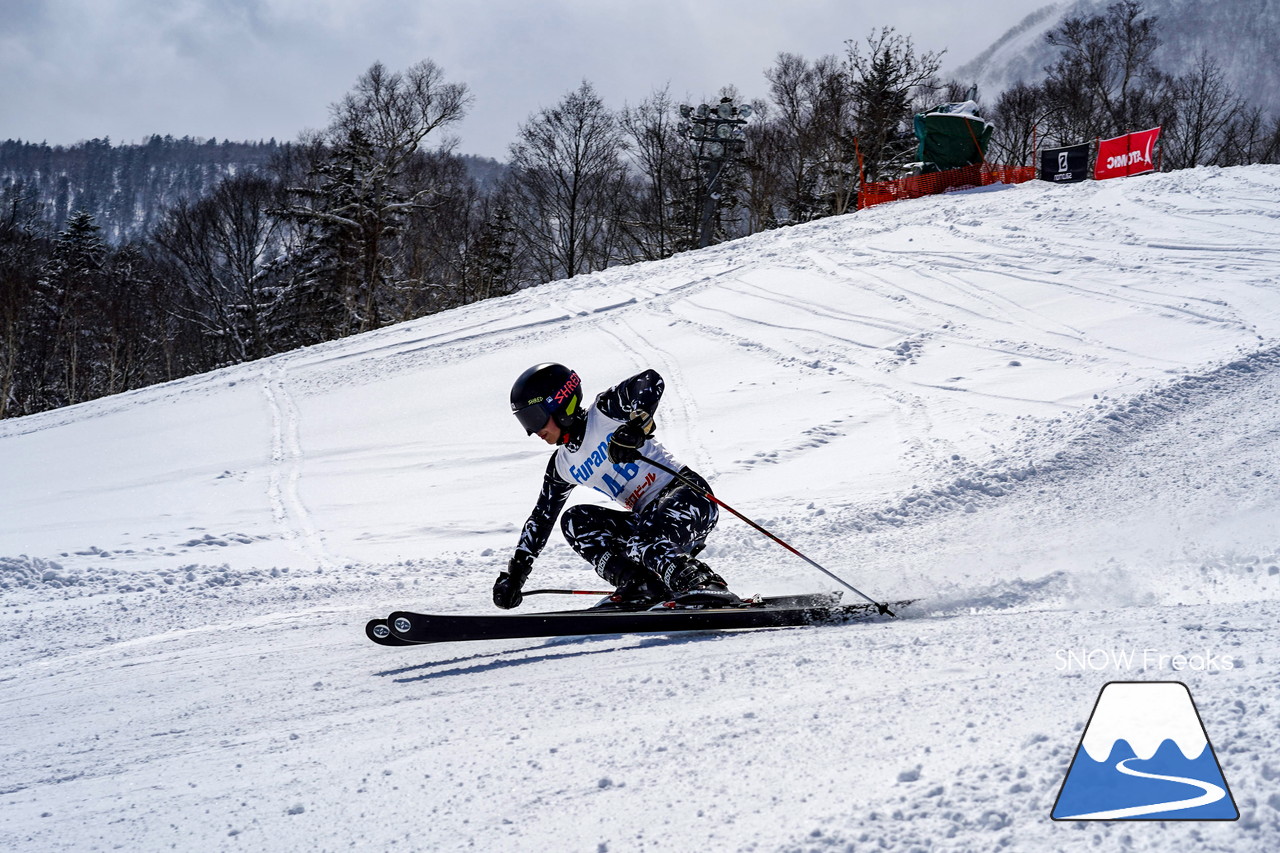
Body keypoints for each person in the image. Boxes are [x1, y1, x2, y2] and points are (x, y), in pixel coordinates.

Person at [494, 362, 735, 611]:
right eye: (525, 421)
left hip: (689, 497)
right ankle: (640, 585)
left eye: (534, 417)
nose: (533, 431)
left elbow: (650, 380)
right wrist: (516, 575)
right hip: (648, 519)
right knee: (575, 521)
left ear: (561, 403)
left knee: (643, 539)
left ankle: (704, 584)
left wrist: (635, 427)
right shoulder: (562, 465)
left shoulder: (605, 412)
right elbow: (541, 519)